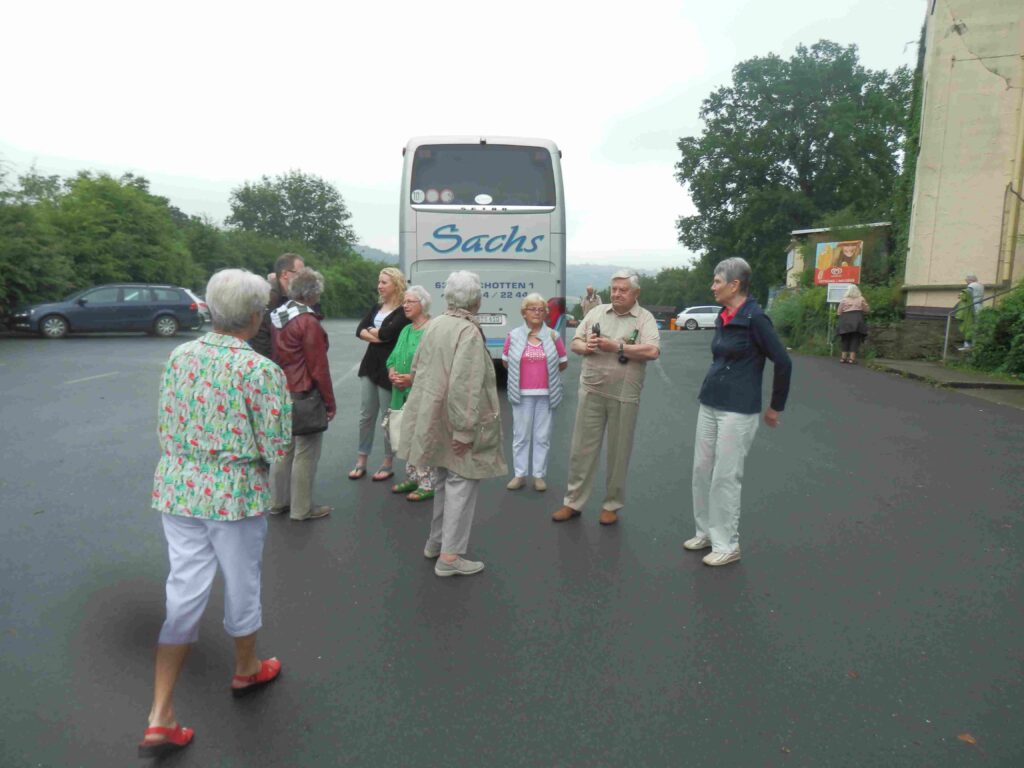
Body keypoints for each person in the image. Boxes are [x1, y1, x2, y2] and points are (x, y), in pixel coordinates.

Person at [141, 269, 291, 758]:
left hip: (178, 486)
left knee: (183, 587)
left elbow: (168, 419)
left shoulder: (180, 355)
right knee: (241, 581)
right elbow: (276, 446)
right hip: (233, 494)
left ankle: (160, 713)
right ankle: (246, 668)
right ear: (255, 316)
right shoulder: (260, 370)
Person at [398, 271, 507, 577]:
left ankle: (435, 543)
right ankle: (450, 557)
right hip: (454, 419)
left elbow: (417, 367)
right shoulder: (467, 331)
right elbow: (466, 386)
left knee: (444, 480)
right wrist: (464, 429)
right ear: (476, 300)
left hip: (434, 415)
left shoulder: (435, 324)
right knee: (461, 482)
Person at [685, 257, 792, 567]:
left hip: (738, 409)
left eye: (717, 281)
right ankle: (705, 533)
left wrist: (775, 407)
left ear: (734, 285)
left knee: (725, 477)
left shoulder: (755, 319)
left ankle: (727, 544)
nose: (712, 286)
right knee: (701, 470)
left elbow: (783, 362)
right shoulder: (723, 315)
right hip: (710, 401)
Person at [552, 270, 660, 526]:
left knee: (619, 452)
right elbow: (575, 342)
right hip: (592, 389)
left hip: (624, 394)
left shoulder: (644, 318)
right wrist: (586, 346)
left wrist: (618, 347)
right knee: (581, 449)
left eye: (623, 290)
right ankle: (572, 502)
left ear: (636, 293)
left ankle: (611, 504)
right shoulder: (596, 313)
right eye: (614, 289)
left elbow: (653, 351)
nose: (617, 294)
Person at [269, 267, 336, 521]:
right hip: (303, 392)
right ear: (311, 294)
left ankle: (278, 501)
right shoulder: (308, 321)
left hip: (281, 388)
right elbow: (318, 367)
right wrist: (329, 402)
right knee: (306, 452)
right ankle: (301, 508)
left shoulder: (278, 316)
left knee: (284, 449)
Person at [502, 293, 568, 492]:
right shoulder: (513, 336)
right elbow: (506, 362)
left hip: (546, 394)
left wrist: (546, 375)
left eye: (541, 309)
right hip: (521, 394)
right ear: (524, 313)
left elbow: (563, 363)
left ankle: (539, 476)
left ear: (545, 313)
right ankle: (520, 475)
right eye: (533, 309)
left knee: (542, 437)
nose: (537, 313)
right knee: (520, 436)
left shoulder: (553, 336)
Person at [351, 267, 411, 481]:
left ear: (396, 284)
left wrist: (374, 333)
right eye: (379, 281)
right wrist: (376, 336)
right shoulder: (377, 307)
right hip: (370, 365)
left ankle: (387, 462)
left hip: (389, 367)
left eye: (384, 282)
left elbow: (388, 334)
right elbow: (359, 330)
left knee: (388, 417)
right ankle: (361, 459)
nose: (379, 286)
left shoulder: (403, 311)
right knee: (366, 415)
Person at [386, 285, 435, 501]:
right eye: (404, 302)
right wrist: (392, 372)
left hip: (422, 393)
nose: (404, 305)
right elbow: (393, 357)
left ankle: (427, 482)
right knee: (406, 435)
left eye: (409, 302)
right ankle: (413, 477)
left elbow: (434, 365)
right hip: (401, 393)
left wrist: (411, 379)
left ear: (422, 304)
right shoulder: (406, 329)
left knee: (422, 437)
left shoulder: (432, 330)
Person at [249, 253, 304, 359]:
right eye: (300, 274)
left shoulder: (290, 295)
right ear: (285, 274)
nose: (303, 278)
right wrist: (271, 363)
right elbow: (261, 336)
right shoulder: (270, 296)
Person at [836, 285, 870, 364]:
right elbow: (867, 310)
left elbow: (839, 312)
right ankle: (852, 359)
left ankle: (843, 358)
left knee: (845, 338)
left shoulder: (844, 300)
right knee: (855, 338)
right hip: (857, 319)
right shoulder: (861, 299)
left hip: (845, 319)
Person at [957, 274, 985, 351]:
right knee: (976, 326)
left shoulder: (971, 286)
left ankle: (967, 346)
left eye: (967, 281)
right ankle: (975, 345)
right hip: (979, 307)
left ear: (970, 280)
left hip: (972, 308)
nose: (967, 283)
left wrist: (960, 295)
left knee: (968, 326)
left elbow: (966, 295)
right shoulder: (981, 285)